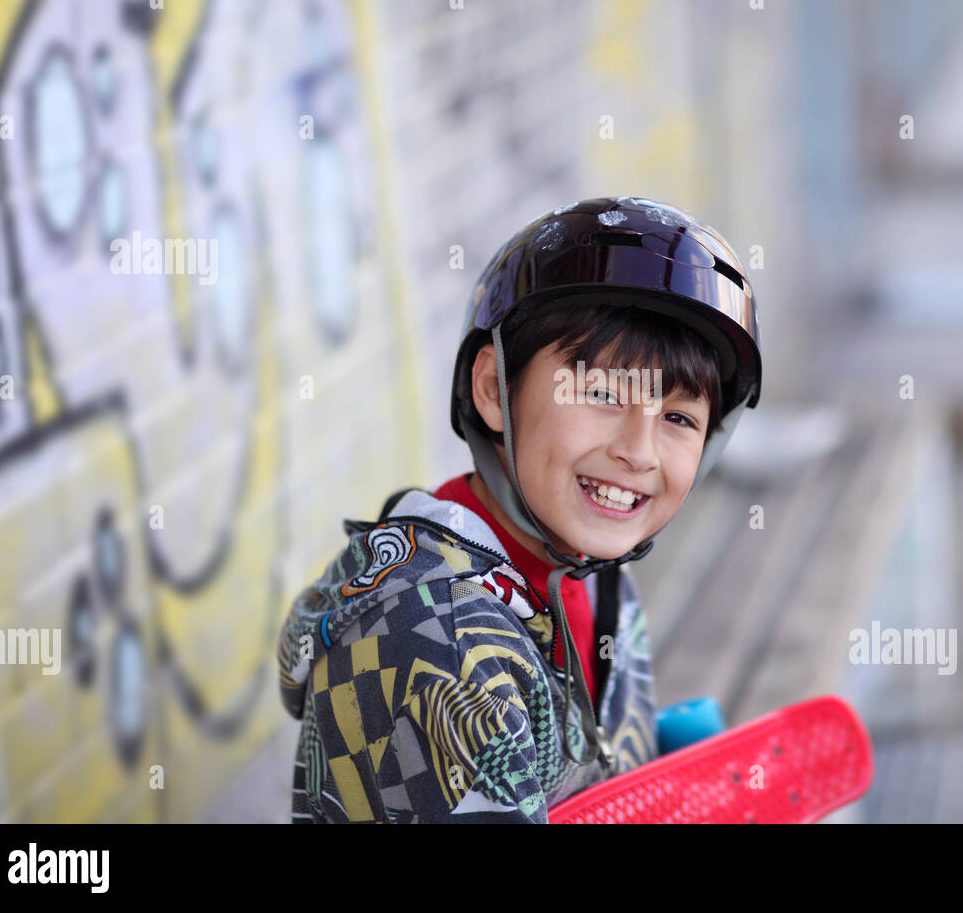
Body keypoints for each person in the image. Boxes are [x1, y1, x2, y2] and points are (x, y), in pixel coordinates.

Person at [277, 196, 762, 822]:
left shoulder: (591, 570)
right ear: (493, 391)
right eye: (600, 393)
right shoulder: (439, 647)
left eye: (677, 417)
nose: (639, 453)